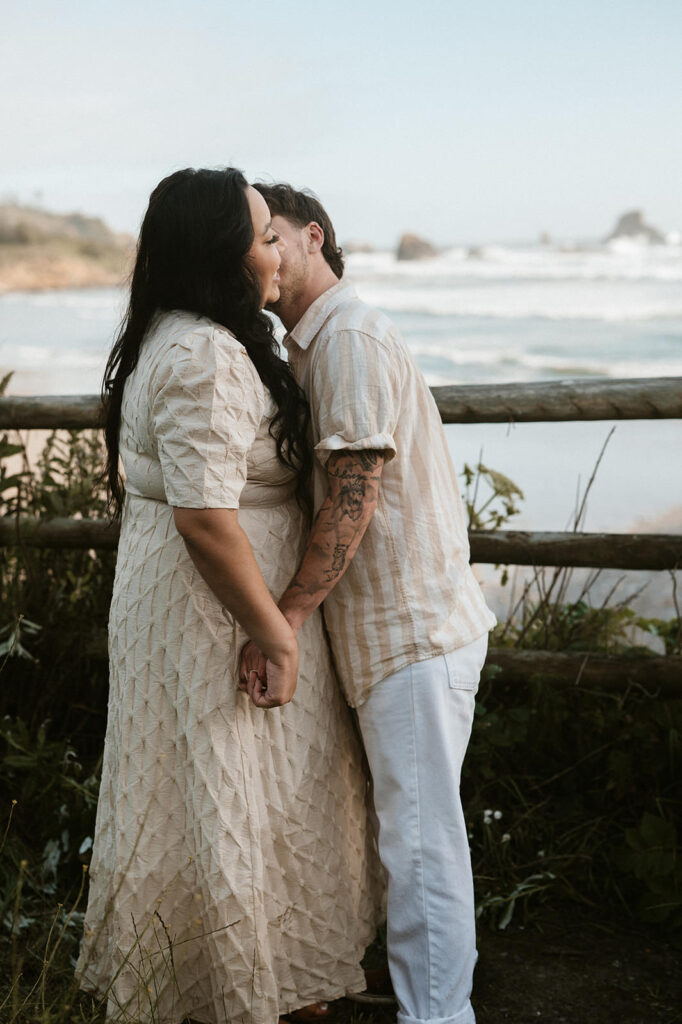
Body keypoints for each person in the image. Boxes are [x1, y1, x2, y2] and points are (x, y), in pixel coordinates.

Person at [76, 168, 383, 1024]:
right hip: (218, 613)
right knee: (231, 795)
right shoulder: (206, 355)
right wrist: (275, 633)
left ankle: (253, 984)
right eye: (258, 234)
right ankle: (243, 993)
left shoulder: (174, 335)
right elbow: (207, 519)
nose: (273, 247)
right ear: (220, 251)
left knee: (213, 796)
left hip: (190, 605)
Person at [241, 183, 497, 1024]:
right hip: (398, 632)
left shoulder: (346, 338)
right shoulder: (317, 344)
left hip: (413, 632)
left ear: (314, 238)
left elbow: (356, 492)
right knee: (408, 841)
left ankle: (439, 1016)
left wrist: (288, 617)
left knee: (422, 847)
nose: (263, 257)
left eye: (272, 237)